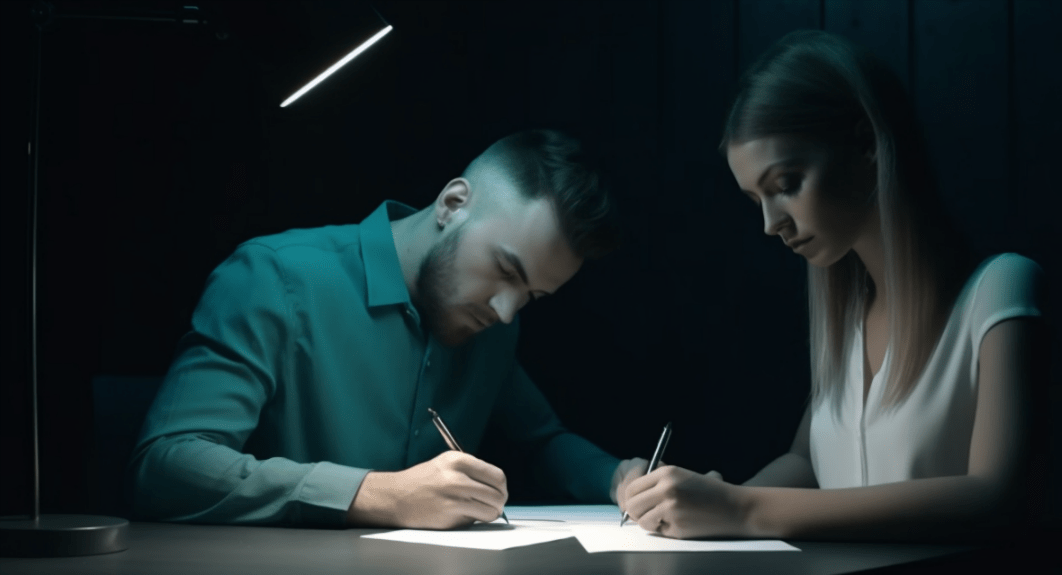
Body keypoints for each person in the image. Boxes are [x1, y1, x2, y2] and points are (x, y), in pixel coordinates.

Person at [619, 30, 1047, 541]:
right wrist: (708, 500)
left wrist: (743, 508)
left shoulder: (1001, 291)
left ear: (866, 143)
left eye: (786, 185)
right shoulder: (848, 319)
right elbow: (807, 464)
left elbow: (997, 495)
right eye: (757, 201)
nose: (770, 224)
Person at [130, 129, 647, 528]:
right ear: (452, 204)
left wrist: (617, 478)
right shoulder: (274, 277)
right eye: (506, 271)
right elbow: (165, 465)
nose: (507, 312)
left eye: (531, 297)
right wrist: (377, 494)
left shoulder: (493, 326)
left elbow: (541, 441)